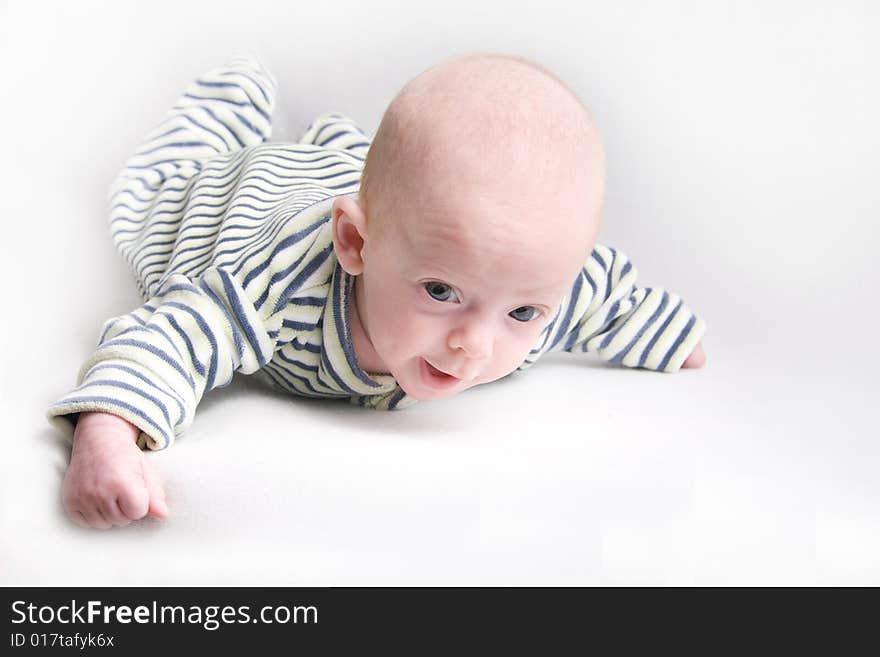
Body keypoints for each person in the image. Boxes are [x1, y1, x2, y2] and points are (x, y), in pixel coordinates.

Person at [47, 53, 707, 530]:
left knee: (397, 185)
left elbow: (602, 290)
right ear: (355, 245)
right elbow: (170, 335)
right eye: (442, 290)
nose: (474, 344)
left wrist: (671, 335)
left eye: (523, 312)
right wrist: (108, 431)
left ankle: (338, 145)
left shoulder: (517, 290)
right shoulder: (273, 289)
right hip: (239, 202)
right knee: (168, 179)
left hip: (368, 192)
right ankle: (234, 93)